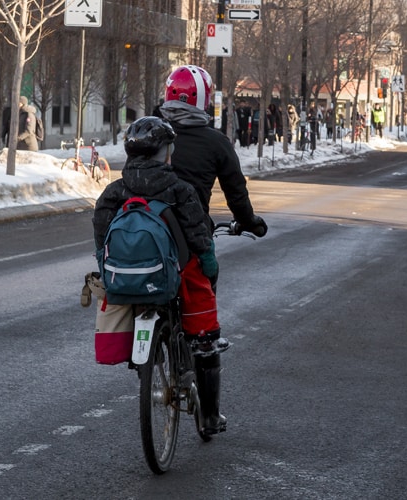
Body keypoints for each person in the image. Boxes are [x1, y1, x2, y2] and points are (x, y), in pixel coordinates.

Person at [159, 64, 267, 435]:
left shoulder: (151, 131)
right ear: (204, 98)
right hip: (191, 241)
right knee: (205, 329)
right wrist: (251, 222)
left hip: (149, 237)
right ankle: (208, 416)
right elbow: (237, 195)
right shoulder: (215, 141)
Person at [92, 118, 221, 428]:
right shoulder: (179, 190)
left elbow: (101, 241)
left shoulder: (113, 193)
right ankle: (209, 416)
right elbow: (198, 237)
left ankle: (143, 361)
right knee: (204, 324)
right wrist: (210, 265)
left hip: (124, 278)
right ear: (165, 153)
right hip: (172, 273)